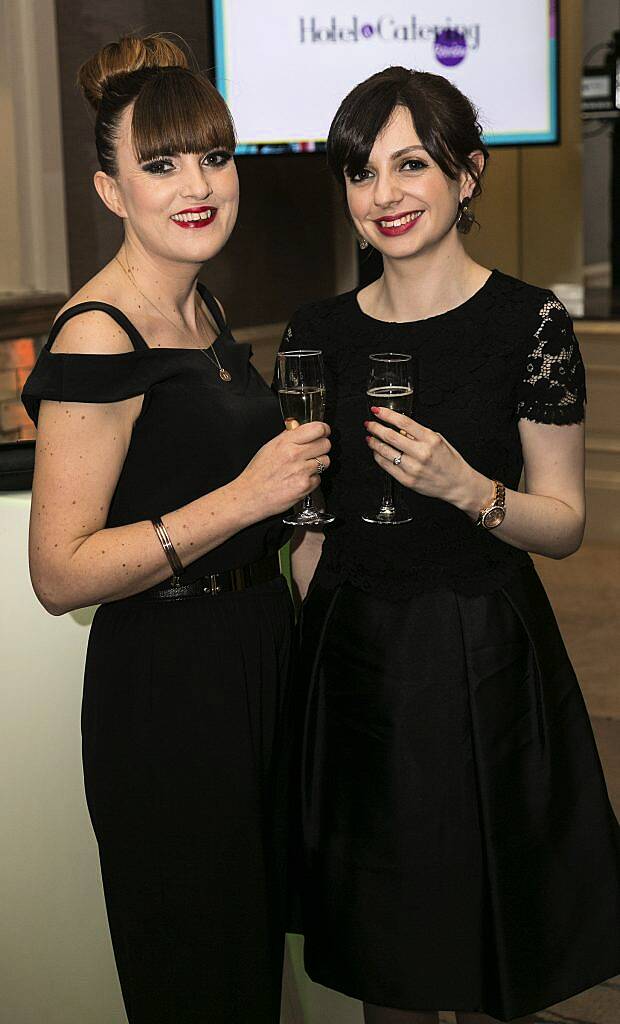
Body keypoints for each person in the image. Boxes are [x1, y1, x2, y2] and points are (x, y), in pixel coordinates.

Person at [280, 66, 620, 1024]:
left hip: (481, 663)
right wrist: (310, 558)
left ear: (467, 176)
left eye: (410, 164)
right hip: (355, 667)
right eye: (360, 172)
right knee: (383, 960)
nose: (382, 195)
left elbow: (563, 523)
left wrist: (468, 490)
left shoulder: (529, 323)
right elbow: (307, 502)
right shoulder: (318, 331)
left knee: (480, 951)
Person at [21, 33, 330, 1024]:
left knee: (250, 970)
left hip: (253, 661)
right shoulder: (95, 334)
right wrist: (244, 496)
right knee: (197, 981)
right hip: (167, 693)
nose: (197, 184)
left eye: (212, 155)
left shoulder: (202, 310)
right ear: (112, 191)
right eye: (159, 164)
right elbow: (60, 573)